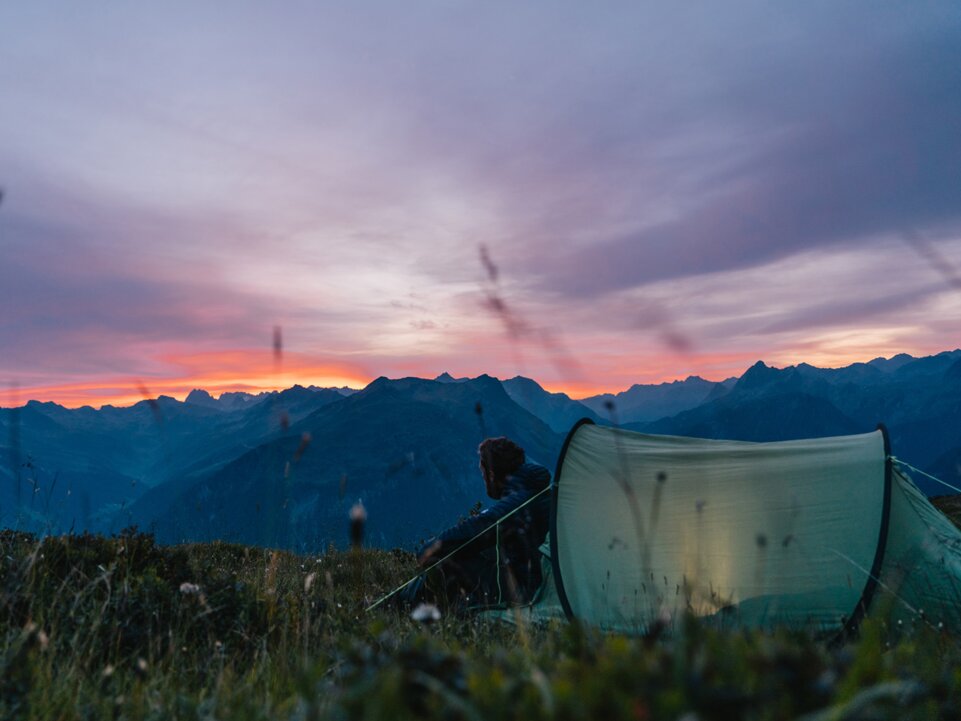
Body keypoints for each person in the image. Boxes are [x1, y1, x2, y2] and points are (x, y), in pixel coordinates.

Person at [405, 437, 551, 610]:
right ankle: (405, 602)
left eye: (483, 473)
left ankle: (406, 606)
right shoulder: (532, 488)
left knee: (450, 560)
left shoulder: (518, 500)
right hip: (537, 580)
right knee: (473, 554)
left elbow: (483, 526)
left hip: (525, 590)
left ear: (491, 474)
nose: (483, 479)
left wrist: (430, 549)